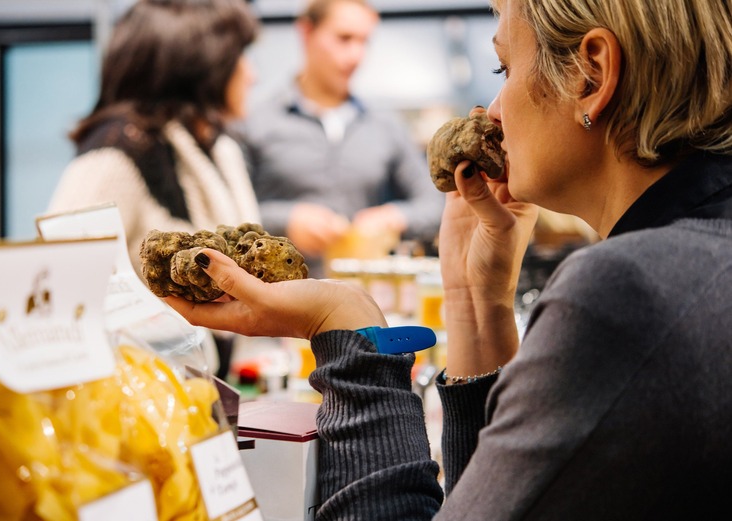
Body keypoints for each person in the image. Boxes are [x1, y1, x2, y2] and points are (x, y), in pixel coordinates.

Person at [166, 0, 732, 518]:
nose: (493, 111)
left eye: (504, 70)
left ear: (592, 74)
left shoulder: (628, 292)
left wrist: (349, 332)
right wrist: (475, 304)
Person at [47, 0, 260, 378]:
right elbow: (59, 284)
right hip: (136, 396)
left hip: (198, 389)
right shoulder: (119, 150)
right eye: (238, 57)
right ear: (199, 67)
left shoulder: (211, 146)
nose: (251, 74)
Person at [235, 0, 444, 277]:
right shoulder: (253, 122)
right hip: (273, 298)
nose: (356, 54)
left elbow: (434, 204)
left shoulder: (384, 125)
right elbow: (223, 209)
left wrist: (394, 216)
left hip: (361, 297)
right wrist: (286, 220)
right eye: (344, 38)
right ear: (306, 33)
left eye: (364, 42)